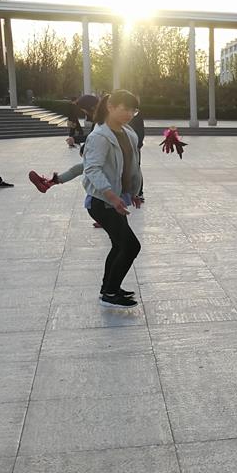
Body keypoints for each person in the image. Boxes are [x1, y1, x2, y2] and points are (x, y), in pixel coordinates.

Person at [82, 90, 143, 309]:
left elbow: (130, 165)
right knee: (131, 246)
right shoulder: (99, 136)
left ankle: (108, 288)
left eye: (133, 110)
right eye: (125, 109)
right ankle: (110, 293)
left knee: (119, 246)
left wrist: (133, 191)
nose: (129, 114)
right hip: (102, 202)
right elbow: (92, 168)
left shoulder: (128, 133)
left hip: (116, 200)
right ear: (110, 107)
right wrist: (112, 196)